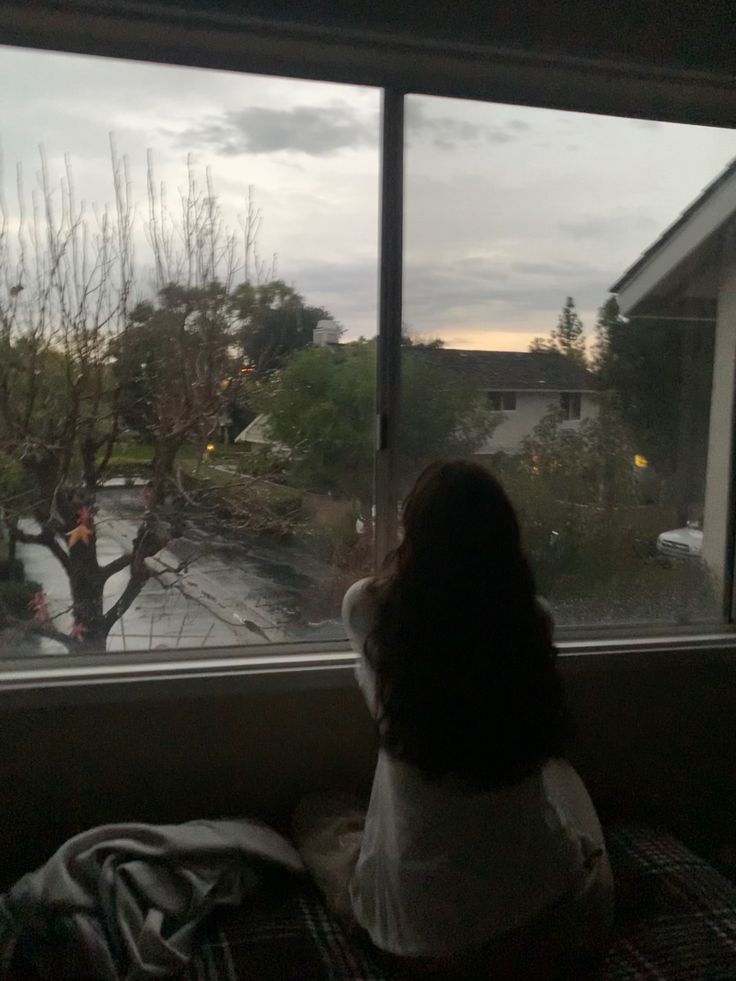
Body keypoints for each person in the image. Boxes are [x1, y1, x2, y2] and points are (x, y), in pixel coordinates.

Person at [294, 460, 614, 979]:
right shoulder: (532, 623)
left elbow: (400, 599)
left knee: (317, 814)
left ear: (413, 534)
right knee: (565, 784)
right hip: (543, 926)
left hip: (422, 945)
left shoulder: (370, 612)